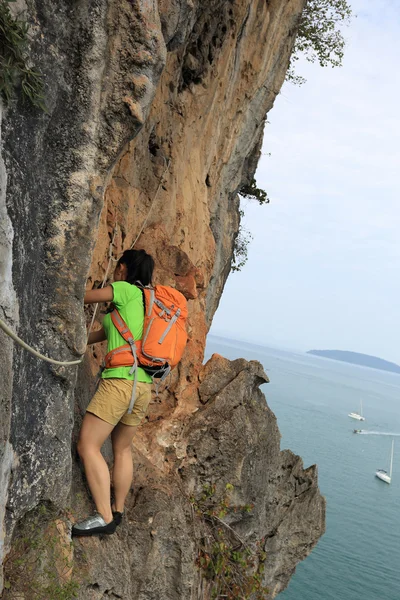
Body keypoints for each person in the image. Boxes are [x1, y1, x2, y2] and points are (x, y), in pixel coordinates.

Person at [72, 249, 155, 536]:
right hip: (142, 386)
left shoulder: (123, 289)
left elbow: (81, 296)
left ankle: (104, 517)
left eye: (118, 269)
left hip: (120, 382)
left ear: (122, 268)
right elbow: (104, 335)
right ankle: (118, 510)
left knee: (88, 445)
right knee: (121, 448)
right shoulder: (146, 303)